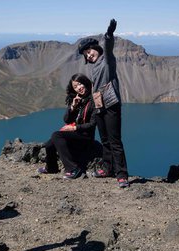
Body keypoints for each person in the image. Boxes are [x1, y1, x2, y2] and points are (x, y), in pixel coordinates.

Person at [77, 19, 130, 188]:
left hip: (111, 105)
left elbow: (108, 47)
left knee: (115, 141)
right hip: (99, 106)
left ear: (96, 48)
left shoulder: (107, 60)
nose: (88, 55)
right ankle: (108, 168)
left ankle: (122, 175)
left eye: (89, 51)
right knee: (105, 140)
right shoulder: (94, 67)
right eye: (86, 54)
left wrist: (109, 35)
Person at [37, 73, 97, 179]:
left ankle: (73, 169)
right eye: (75, 87)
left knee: (56, 135)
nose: (79, 88)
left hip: (85, 136)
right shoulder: (77, 100)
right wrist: (73, 106)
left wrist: (74, 128)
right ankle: (51, 168)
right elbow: (66, 119)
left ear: (85, 82)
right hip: (76, 133)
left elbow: (92, 124)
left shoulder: (93, 99)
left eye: (80, 84)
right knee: (49, 144)